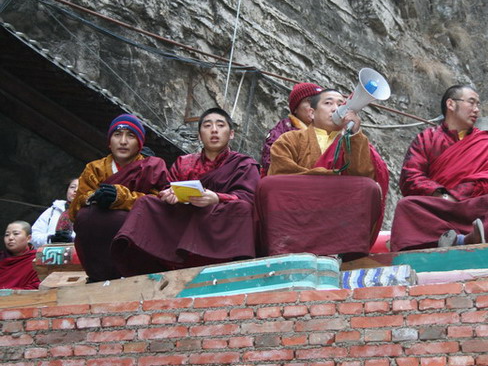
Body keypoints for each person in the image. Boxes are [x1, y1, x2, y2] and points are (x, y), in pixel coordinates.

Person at [112, 108, 260, 275]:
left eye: (220, 125)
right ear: (199, 135)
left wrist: (216, 198)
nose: (214, 130)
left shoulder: (244, 164)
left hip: (219, 218)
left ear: (231, 134)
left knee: (242, 209)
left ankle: (228, 265)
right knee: (146, 202)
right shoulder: (184, 162)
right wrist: (169, 195)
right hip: (185, 214)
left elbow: (248, 197)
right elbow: (167, 188)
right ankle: (152, 262)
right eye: (207, 126)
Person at [390, 85, 488, 251]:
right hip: (440, 208)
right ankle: (463, 239)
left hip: (475, 207)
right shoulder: (426, 138)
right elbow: (411, 176)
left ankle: (457, 239)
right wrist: (443, 195)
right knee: (406, 206)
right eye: (471, 102)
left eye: (478, 104)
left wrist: (457, 196)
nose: (476, 110)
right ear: (451, 104)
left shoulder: (485, 141)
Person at [260, 89, 389, 257]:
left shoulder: (352, 140)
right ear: (311, 113)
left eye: (341, 104)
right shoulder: (290, 139)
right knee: (268, 185)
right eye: (328, 103)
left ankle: (348, 252)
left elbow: (363, 174)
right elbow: (281, 171)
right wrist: (328, 177)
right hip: (299, 206)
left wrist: (354, 136)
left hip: (338, 209)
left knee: (368, 187)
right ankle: (284, 248)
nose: (336, 109)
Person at [71, 114, 169, 283]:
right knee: (85, 217)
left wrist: (122, 198)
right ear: (109, 142)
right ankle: (98, 275)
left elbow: (160, 203)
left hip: (138, 245)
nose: (123, 142)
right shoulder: (94, 168)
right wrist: (93, 197)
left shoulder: (152, 167)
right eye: (117, 135)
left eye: (130, 136)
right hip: (99, 248)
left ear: (140, 143)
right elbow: (74, 211)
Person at [260, 82, 323, 175]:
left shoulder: (331, 131)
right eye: (309, 101)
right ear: (296, 109)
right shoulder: (283, 130)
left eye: (319, 101)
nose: (315, 106)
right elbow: (272, 161)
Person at [31, 178, 79, 248]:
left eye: (80, 187)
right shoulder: (53, 210)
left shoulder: (89, 213)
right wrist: (51, 238)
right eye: (72, 187)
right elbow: (34, 236)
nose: (76, 190)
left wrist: (73, 240)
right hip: (50, 253)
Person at [1, 221, 40, 290]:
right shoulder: (1, 258)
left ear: (28, 238)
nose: (10, 238)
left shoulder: (37, 259)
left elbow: (37, 286)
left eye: (16, 234)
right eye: (7, 235)